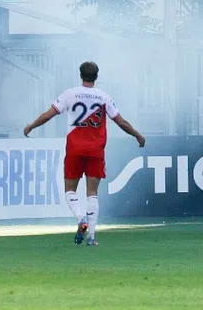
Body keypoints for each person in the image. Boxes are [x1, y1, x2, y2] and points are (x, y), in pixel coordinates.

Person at [22, 61, 146, 246]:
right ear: (97, 76)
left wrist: (31, 126)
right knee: (92, 193)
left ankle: (81, 219)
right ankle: (92, 237)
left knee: (70, 190)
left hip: (74, 148)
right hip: (96, 149)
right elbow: (121, 122)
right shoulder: (103, 97)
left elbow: (48, 115)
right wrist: (137, 134)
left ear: (80, 75)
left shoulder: (69, 94)